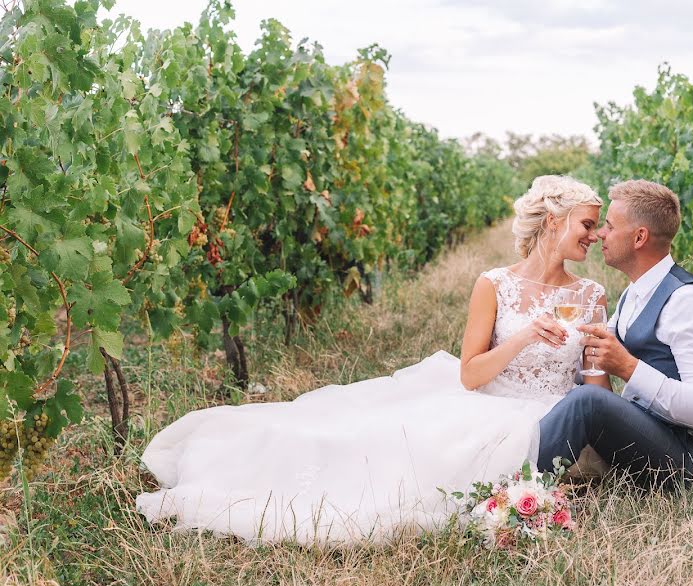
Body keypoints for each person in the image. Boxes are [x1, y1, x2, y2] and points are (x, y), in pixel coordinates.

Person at [136, 175, 607, 544]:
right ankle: (247, 470)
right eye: (587, 224)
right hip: (486, 401)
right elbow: (470, 375)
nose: (595, 235)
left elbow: (595, 392)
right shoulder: (494, 284)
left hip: (552, 414)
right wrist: (524, 337)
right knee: (375, 446)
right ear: (553, 222)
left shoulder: (592, 294)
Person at [536, 180, 693, 488]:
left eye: (608, 226)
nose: (600, 234)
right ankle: (503, 465)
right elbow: (588, 359)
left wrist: (627, 368)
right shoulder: (635, 293)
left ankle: (507, 487)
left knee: (588, 402)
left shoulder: (690, 303)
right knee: (572, 388)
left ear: (639, 237)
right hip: (654, 435)